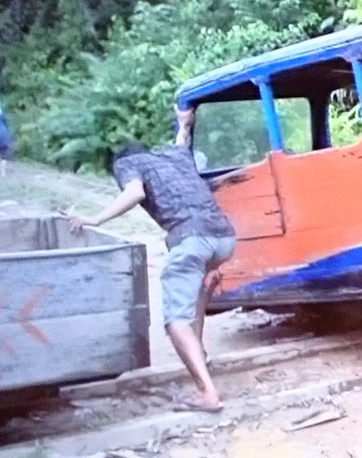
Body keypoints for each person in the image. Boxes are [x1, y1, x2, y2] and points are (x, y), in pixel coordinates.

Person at [69, 106, 236, 413]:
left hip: (191, 239)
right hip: (225, 237)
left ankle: (207, 393)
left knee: (175, 322)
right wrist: (184, 122)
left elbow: (134, 193)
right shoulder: (172, 156)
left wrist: (94, 219)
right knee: (196, 288)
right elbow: (182, 140)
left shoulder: (127, 163)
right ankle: (200, 351)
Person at [0, 101, 11, 178]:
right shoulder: (3, 116)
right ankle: (3, 174)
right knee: (4, 156)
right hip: (4, 136)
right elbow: (7, 125)